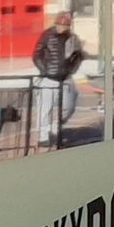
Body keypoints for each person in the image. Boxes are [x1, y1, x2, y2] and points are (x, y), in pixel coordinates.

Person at [31, 11, 87, 147]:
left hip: (65, 77)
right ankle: (44, 136)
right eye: (60, 25)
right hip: (48, 77)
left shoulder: (73, 39)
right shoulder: (47, 35)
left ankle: (55, 127)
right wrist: (44, 69)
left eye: (65, 26)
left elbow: (79, 55)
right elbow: (37, 54)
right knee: (44, 109)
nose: (62, 28)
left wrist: (72, 68)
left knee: (69, 106)